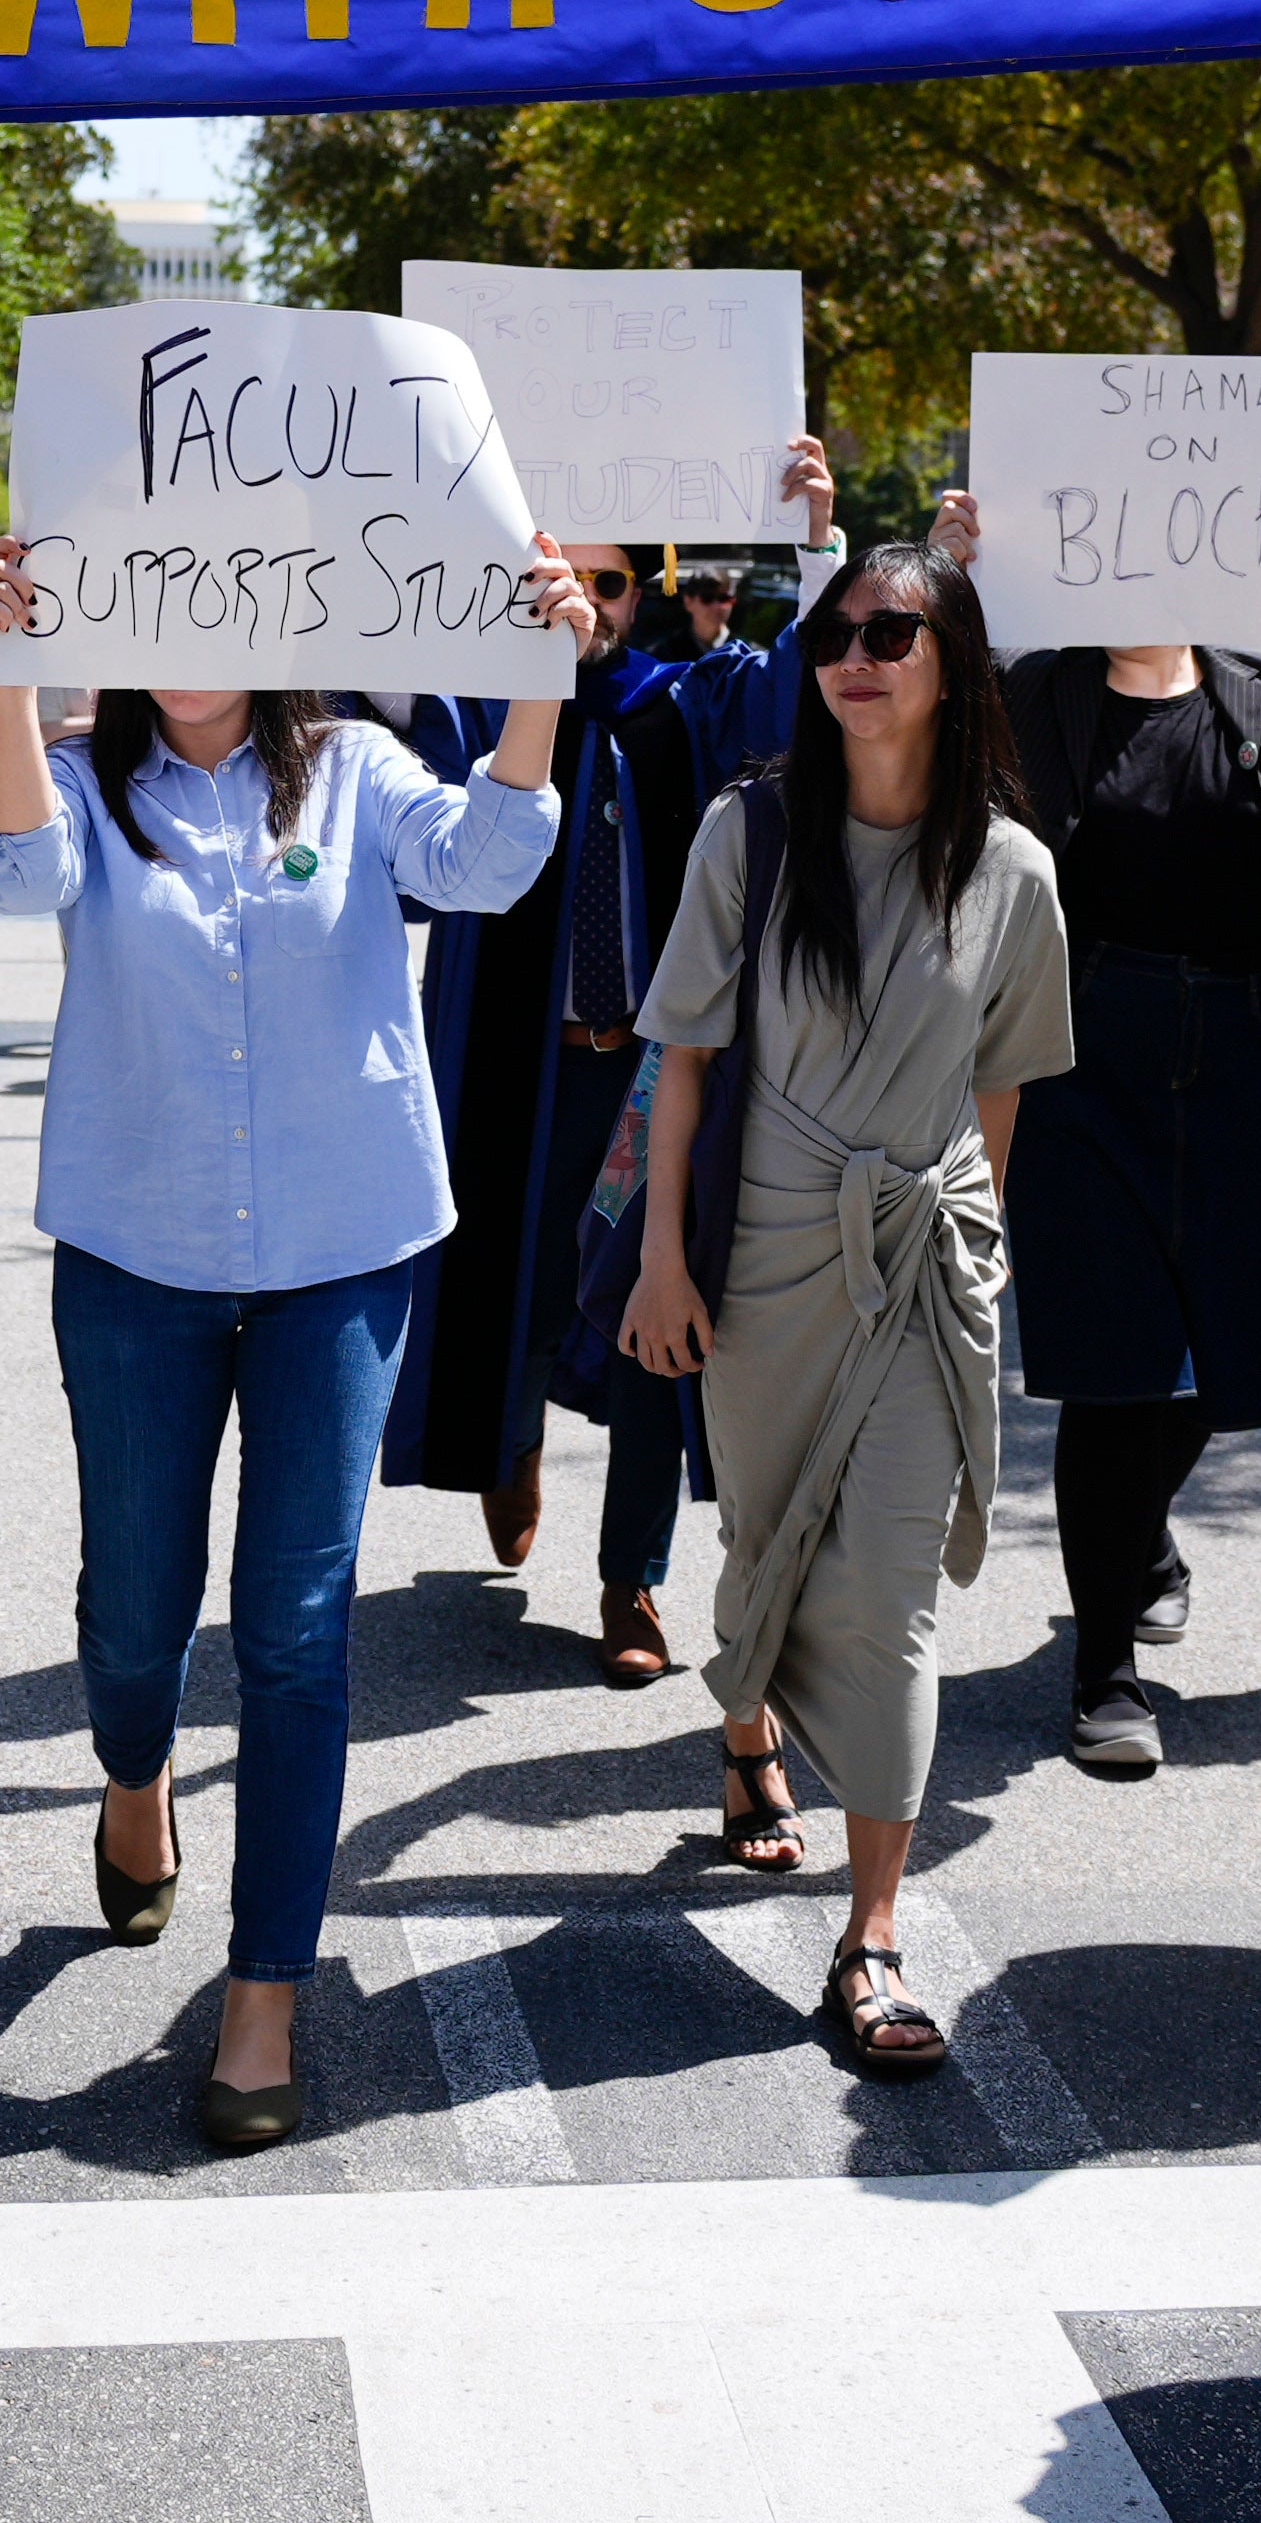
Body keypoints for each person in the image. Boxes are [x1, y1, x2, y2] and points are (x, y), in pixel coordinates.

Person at [0, 551, 608, 2149]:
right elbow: (18, 880)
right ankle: (132, 1772)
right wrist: (4, 668)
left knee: (299, 1630)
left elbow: (494, 864)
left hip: (344, 1252)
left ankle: (264, 1994)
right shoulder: (75, 780)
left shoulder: (361, 768)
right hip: (137, 1251)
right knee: (135, 1610)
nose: (182, 640)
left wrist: (543, 671)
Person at [621, 548, 1076, 2073]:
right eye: (834, 633)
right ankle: (748, 1730)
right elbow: (680, 1057)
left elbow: (1000, 1087)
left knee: (888, 1598)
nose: (855, 656)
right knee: (765, 1539)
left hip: (925, 1274)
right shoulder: (746, 836)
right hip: (760, 1256)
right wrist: (662, 1260)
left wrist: (978, 1252)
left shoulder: (1015, 872)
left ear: (955, 663)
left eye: (893, 633)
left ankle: (872, 1934)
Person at [952, 490, 1261, 1771]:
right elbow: (920, 731)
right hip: (1082, 1051)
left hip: (1243, 1051)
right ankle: (1102, 1668)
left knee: (1236, 1351)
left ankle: (1141, 1535)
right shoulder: (1037, 692)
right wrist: (954, 580)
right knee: (1117, 1366)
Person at [375, 458, 840, 1645]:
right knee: (512, 1286)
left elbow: (802, 693)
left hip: (651, 1075)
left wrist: (816, 546)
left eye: (611, 580)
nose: (586, 597)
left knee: (658, 1307)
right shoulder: (476, 708)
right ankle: (509, 1437)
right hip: (510, 1062)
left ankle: (631, 1577)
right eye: (562, 575)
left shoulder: (678, 701)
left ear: (645, 591)